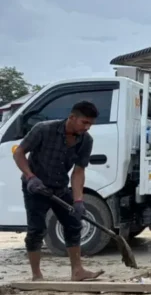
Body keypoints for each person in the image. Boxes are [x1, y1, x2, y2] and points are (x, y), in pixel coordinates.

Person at [12, 101, 104, 282]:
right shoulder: (44, 130)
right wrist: (30, 177)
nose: (87, 128)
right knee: (36, 230)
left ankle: (77, 271)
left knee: (74, 224)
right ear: (72, 117)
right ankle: (37, 275)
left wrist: (78, 200)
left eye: (90, 124)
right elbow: (19, 153)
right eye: (84, 123)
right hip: (35, 186)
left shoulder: (86, 140)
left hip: (60, 187)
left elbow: (78, 171)